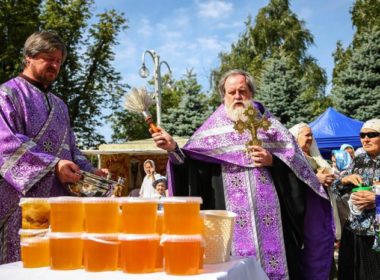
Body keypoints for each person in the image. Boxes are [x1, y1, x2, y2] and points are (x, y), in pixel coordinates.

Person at [151, 69, 334, 279]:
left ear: (251, 93)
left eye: (242, 91)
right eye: (232, 92)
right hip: (230, 234)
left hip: (277, 231)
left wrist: (273, 161)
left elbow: (302, 175)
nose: (237, 96)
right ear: (224, 96)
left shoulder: (271, 129)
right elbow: (193, 168)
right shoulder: (210, 132)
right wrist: (174, 149)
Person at [0, 30, 107, 264]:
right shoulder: (7, 94)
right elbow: (6, 143)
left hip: (61, 203)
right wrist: (52, 166)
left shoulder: (60, 105)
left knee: (61, 264)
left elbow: (71, 149)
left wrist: (89, 172)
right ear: (29, 57)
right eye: (49, 58)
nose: (55, 65)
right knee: (23, 265)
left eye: (59, 61)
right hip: (21, 203)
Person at [332, 118, 380, 280]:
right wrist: (344, 180)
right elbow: (336, 190)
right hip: (354, 230)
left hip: (377, 235)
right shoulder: (358, 160)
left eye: (372, 134)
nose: (366, 139)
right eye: (362, 135)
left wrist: (376, 199)